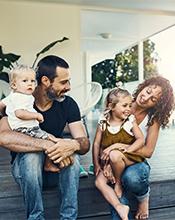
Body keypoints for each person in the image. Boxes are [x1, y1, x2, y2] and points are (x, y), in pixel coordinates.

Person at [0, 55, 90, 220]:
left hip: (56, 170)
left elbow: (83, 142)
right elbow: (4, 137)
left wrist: (72, 145)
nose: (69, 87)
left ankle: (68, 217)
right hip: (27, 173)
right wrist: (47, 145)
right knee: (32, 157)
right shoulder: (17, 100)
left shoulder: (68, 104)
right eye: (63, 82)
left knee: (74, 158)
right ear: (46, 81)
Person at [102, 76, 174, 220]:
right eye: (148, 91)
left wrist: (121, 148)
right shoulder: (120, 103)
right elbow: (103, 139)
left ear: (157, 105)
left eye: (153, 99)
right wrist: (107, 163)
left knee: (131, 178)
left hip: (137, 161)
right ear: (143, 86)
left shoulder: (152, 119)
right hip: (115, 159)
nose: (146, 98)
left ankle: (143, 197)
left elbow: (148, 151)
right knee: (113, 182)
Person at [93, 88, 145, 220]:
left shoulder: (129, 121)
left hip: (129, 156)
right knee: (99, 182)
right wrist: (97, 164)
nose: (128, 109)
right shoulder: (103, 121)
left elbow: (140, 139)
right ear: (111, 106)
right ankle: (119, 206)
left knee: (115, 155)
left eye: (129, 105)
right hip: (112, 161)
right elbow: (96, 144)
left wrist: (123, 150)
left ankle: (118, 183)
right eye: (124, 105)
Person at [0, 65, 60, 172]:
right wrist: (36, 116)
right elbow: (19, 113)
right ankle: (48, 164)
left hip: (22, 129)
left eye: (32, 81)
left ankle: (48, 161)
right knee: (50, 140)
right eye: (25, 81)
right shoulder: (21, 97)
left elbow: (1, 104)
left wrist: (5, 114)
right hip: (26, 129)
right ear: (14, 85)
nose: (30, 84)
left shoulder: (12, 95)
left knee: (49, 138)